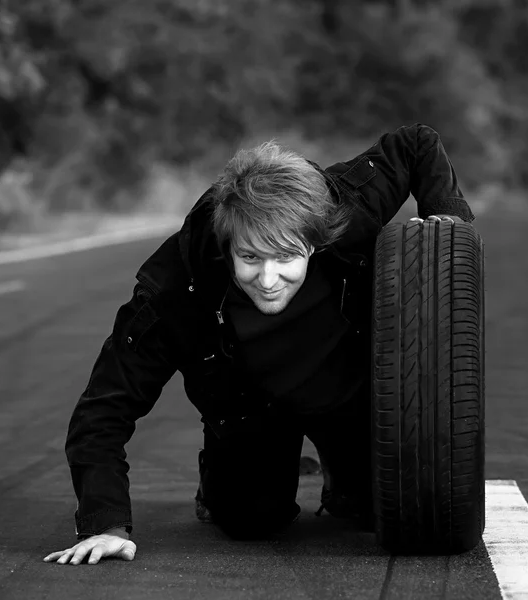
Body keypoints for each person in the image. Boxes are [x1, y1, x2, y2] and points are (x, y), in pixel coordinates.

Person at [44, 123, 475, 566]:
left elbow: (417, 143)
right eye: (250, 258)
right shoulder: (175, 291)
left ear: (315, 241)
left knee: (374, 509)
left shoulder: (346, 207)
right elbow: (103, 409)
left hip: (349, 393)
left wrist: (448, 224)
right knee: (250, 522)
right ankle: (221, 479)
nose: (268, 281)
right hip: (252, 409)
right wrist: (106, 524)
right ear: (228, 245)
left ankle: (342, 478)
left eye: (286, 257)